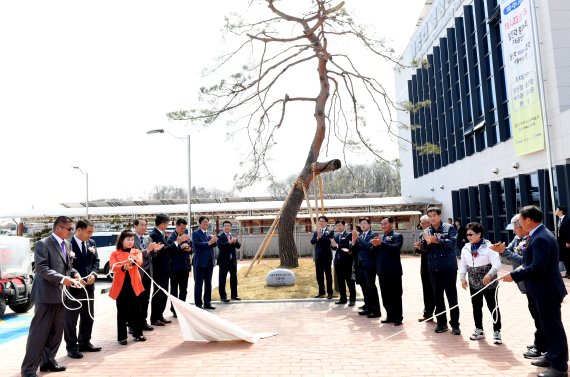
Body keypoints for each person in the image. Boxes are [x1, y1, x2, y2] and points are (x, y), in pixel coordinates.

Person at [503, 205, 568, 377]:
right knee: (547, 327)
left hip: (547, 290)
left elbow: (538, 266)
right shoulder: (537, 234)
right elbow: (529, 260)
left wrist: (515, 275)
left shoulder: (540, 238)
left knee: (553, 329)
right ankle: (551, 356)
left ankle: (559, 367)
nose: (520, 223)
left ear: (529, 220)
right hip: (542, 290)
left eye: (521, 219)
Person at [21, 216, 79, 377]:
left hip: (61, 296)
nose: (71, 232)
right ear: (58, 228)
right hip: (46, 295)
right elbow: (41, 268)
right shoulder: (43, 244)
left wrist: (74, 274)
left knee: (56, 331)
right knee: (39, 334)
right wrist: (62, 279)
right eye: (69, 229)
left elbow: (67, 267)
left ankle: (48, 361)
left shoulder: (67, 244)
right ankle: (28, 369)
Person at [491, 214, 545, 358]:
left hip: (534, 283)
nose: (513, 231)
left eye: (515, 227)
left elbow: (524, 261)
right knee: (535, 314)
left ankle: (542, 347)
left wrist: (505, 253)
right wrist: (501, 249)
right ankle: (540, 342)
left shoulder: (535, 239)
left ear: (523, 225)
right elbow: (508, 253)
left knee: (540, 316)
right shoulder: (518, 239)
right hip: (526, 284)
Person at [459, 222, 502, 344]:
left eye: (471, 234)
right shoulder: (466, 248)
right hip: (473, 281)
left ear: (479, 234)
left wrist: (490, 274)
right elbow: (463, 264)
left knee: (492, 306)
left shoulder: (489, 246)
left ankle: (497, 331)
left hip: (488, 281)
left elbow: (497, 263)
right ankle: (479, 329)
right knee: (476, 306)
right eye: (467, 234)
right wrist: (462, 278)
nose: (468, 236)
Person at [64, 219, 101, 359]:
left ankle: (85, 342)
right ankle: (72, 347)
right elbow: (67, 264)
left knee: (88, 315)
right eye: (88, 232)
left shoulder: (91, 243)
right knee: (71, 319)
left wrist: (94, 274)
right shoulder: (68, 245)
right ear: (79, 230)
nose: (90, 235)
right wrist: (75, 274)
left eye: (92, 232)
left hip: (89, 286)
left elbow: (96, 261)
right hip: (74, 286)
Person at [424, 207, 460, 335]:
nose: (432, 218)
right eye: (430, 215)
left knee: (451, 297)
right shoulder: (427, 230)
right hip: (434, 269)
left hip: (448, 268)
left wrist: (437, 240)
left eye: (434, 215)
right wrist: (422, 245)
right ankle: (441, 323)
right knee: (437, 297)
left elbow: (452, 243)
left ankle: (455, 324)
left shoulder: (449, 228)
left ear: (439, 215)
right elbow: (425, 248)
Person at [149, 213, 189, 326]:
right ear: (162, 223)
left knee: (163, 293)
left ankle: (160, 315)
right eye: (166, 223)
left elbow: (167, 249)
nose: (167, 225)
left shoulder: (161, 234)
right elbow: (164, 251)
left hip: (166, 268)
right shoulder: (155, 235)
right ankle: (154, 317)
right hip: (159, 269)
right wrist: (177, 242)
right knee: (158, 293)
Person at [109, 230, 146, 345]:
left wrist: (133, 261)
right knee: (122, 312)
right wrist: (122, 267)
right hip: (121, 286)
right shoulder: (115, 253)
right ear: (121, 241)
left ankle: (138, 333)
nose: (131, 242)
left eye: (132, 239)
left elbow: (139, 261)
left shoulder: (136, 251)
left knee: (136, 310)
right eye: (128, 239)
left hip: (134, 285)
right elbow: (112, 266)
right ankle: (122, 337)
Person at [372, 217, 403, 326]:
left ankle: (398, 317)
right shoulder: (381, 237)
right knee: (385, 295)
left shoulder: (397, 236)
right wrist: (374, 245)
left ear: (391, 224)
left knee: (395, 294)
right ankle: (389, 315)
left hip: (393, 271)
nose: (383, 226)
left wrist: (381, 243)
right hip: (382, 271)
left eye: (385, 223)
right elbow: (375, 252)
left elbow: (395, 248)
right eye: (381, 224)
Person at [133, 219, 161, 331]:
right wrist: (147, 250)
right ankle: (134, 324)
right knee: (136, 299)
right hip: (137, 272)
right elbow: (133, 255)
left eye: (146, 225)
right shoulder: (131, 238)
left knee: (146, 298)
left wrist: (155, 250)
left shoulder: (148, 238)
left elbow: (152, 256)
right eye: (142, 225)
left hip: (148, 272)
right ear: (135, 226)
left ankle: (143, 321)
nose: (144, 227)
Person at [351, 217, 381, 318]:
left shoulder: (373, 235)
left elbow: (369, 247)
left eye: (364, 223)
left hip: (369, 265)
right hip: (360, 265)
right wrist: (354, 241)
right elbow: (354, 249)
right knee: (364, 287)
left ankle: (376, 310)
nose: (362, 225)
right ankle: (368, 307)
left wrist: (358, 238)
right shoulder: (361, 235)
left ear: (369, 225)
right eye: (361, 224)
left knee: (371, 287)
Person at [192, 216, 217, 310]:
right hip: (200, 263)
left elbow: (213, 245)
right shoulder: (195, 233)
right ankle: (198, 304)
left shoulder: (209, 233)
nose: (206, 224)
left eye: (207, 222)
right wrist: (209, 243)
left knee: (208, 283)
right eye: (204, 222)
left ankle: (207, 303)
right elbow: (197, 245)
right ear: (199, 224)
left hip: (209, 262)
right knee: (198, 284)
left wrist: (214, 241)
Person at [169, 218, 192, 317]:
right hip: (174, 267)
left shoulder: (186, 235)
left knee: (184, 289)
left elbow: (192, 248)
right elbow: (170, 251)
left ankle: (182, 308)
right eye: (182, 228)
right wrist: (180, 247)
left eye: (184, 228)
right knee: (174, 290)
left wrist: (189, 249)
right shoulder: (171, 237)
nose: (183, 230)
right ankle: (174, 309)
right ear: (177, 226)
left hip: (185, 266)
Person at [415, 215, 434, 322]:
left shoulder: (432, 233)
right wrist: (419, 247)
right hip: (424, 265)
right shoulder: (422, 234)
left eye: (422, 223)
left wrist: (423, 247)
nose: (421, 225)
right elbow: (422, 250)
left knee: (434, 290)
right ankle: (427, 313)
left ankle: (436, 314)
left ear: (428, 223)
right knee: (426, 289)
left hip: (433, 265)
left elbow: (430, 248)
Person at [331, 220, 355, 306]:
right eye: (337, 226)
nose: (338, 227)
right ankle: (343, 298)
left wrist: (336, 245)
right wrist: (332, 244)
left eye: (340, 225)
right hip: (338, 262)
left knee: (349, 281)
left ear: (344, 226)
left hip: (347, 262)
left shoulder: (348, 234)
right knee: (340, 281)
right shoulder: (336, 236)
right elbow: (334, 248)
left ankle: (352, 299)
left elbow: (346, 245)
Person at [310, 216, 334, 299]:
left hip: (327, 256)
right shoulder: (317, 231)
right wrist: (317, 237)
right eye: (320, 221)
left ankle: (330, 292)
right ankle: (321, 292)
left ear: (326, 222)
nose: (321, 223)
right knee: (319, 275)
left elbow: (329, 241)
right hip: (318, 256)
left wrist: (322, 236)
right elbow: (312, 241)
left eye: (323, 221)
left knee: (328, 275)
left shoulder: (330, 231)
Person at [217, 220, 241, 302]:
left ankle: (234, 295)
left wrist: (235, 242)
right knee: (222, 279)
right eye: (225, 226)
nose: (227, 227)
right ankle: (223, 297)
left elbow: (238, 246)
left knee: (234, 278)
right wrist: (230, 242)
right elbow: (220, 246)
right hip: (223, 261)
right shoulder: (220, 236)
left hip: (232, 261)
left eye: (228, 226)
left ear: (230, 227)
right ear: (223, 227)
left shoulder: (233, 235)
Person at [555, 206, 570, 279]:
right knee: (564, 257)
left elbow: (569, 232)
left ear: (561, 211)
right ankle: (568, 272)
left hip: (566, 242)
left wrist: (568, 241)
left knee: (568, 257)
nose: (555, 211)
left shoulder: (567, 219)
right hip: (560, 242)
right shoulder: (559, 220)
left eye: (557, 210)